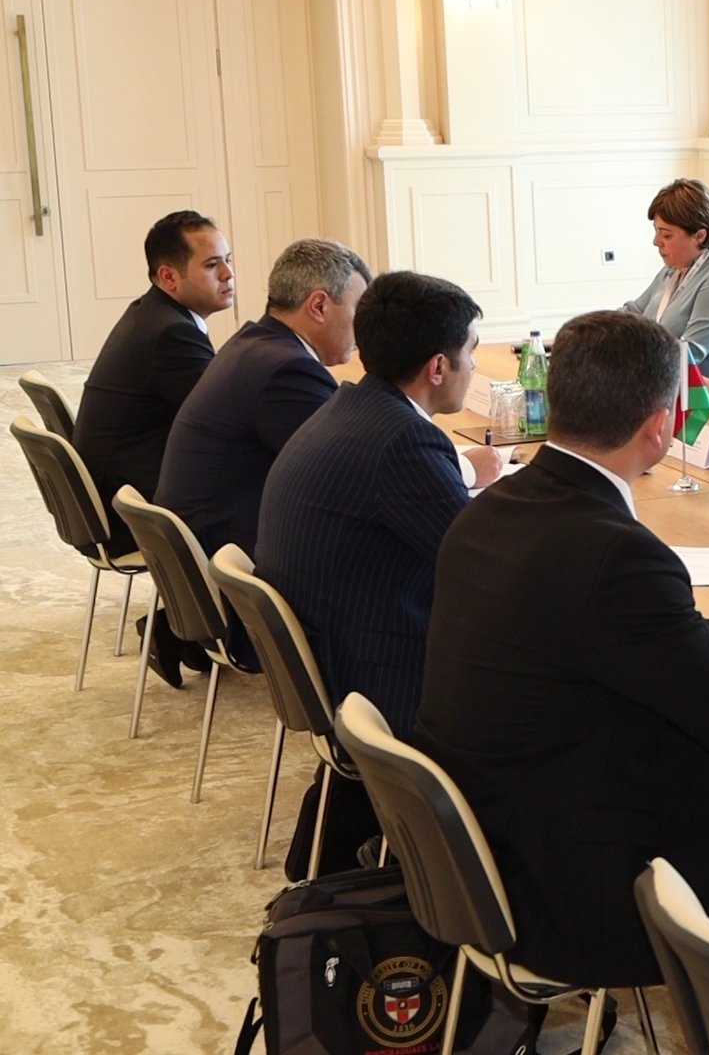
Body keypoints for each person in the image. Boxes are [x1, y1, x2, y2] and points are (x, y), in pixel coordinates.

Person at [414, 310, 709, 1005]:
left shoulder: (494, 506)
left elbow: (631, 635)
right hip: (588, 890)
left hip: (497, 849)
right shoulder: (614, 552)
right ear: (661, 426)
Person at [254, 271, 499, 877]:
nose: (474, 366)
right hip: (379, 676)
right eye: (471, 352)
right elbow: (485, 570)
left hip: (336, 654)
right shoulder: (402, 442)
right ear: (437, 367)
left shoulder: (353, 406)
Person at [72, 210, 234, 687]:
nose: (228, 274)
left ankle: (192, 629)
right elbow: (228, 419)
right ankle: (194, 630)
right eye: (212, 265)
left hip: (117, 489)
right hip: (128, 509)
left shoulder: (156, 314)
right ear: (169, 276)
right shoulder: (171, 334)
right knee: (266, 500)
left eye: (228, 260)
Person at [155, 239, 370, 562]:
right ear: (319, 306)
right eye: (358, 312)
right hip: (227, 553)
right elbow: (353, 473)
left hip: (202, 545)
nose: (364, 329)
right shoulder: (287, 370)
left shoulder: (254, 343)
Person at [621, 177, 709, 375]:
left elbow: (686, 356)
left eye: (666, 235)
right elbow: (633, 313)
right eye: (656, 231)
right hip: (669, 382)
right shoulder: (675, 269)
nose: (656, 241)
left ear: (700, 236)